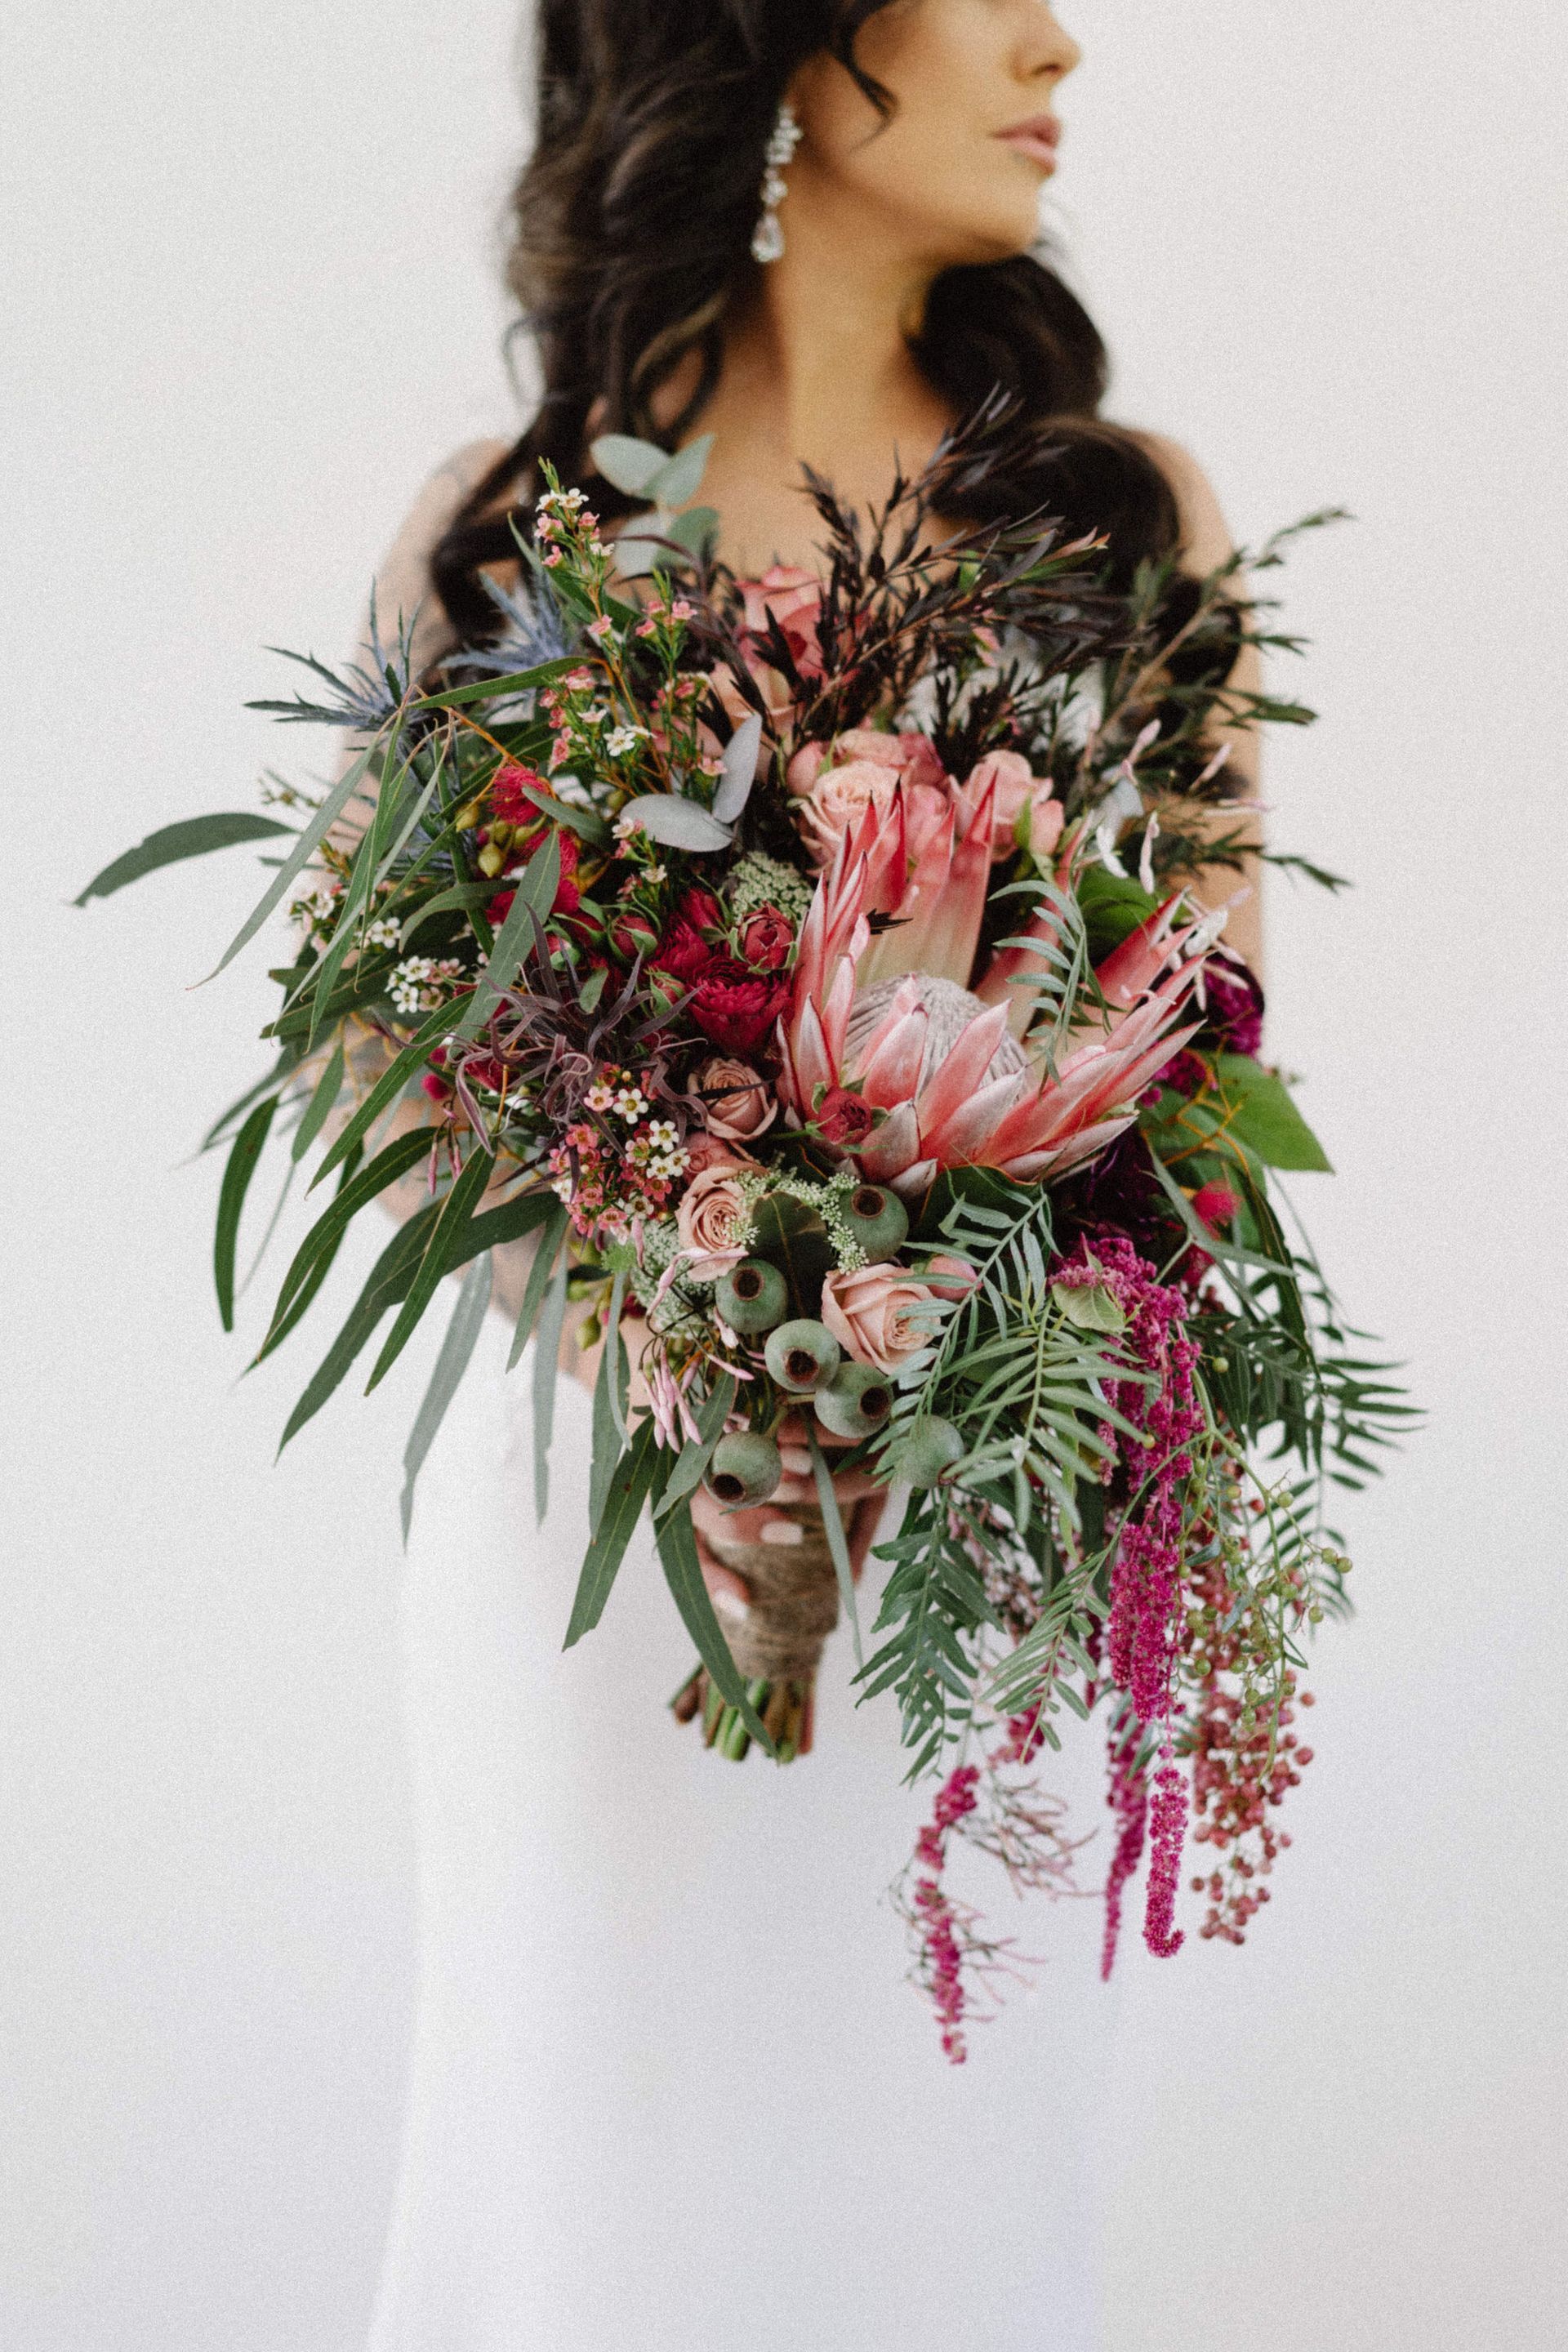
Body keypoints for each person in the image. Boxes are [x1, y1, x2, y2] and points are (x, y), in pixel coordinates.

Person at [360, 8, 1263, 2345]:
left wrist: (922, 1329)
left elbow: (1212, 1078)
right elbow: (384, 1087)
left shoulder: (1117, 524)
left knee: (945, 2163)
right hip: (603, 1523)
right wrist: (677, 1317)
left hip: (976, 1493)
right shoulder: (499, 542)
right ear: (777, 38)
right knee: (592, 2163)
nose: (1066, 35)